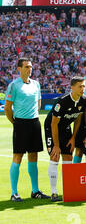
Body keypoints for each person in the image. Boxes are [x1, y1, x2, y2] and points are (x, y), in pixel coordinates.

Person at [5, 58, 49, 201]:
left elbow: (38, 103)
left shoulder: (36, 84)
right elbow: (7, 108)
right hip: (21, 123)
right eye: (26, 67)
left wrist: (33, 116)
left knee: (33, 156)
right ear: (19, 69)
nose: (29, 69)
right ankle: (14, 193)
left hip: (34, 122)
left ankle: (35, 191)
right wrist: (15, 122)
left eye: (30, 66)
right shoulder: (13, 86)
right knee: (18, 156)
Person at [44, 76, 86, 201]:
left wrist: (73, 138)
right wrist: (56, 145)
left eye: (83, 86)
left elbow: (78, 119)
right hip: (52, 129)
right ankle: (54, 192)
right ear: (72, 87)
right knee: (55, 156)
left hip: (66, 128)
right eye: (80, 86)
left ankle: (68, 190)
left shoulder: (83, 100)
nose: (82, 89)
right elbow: (53, 124)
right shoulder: (62, 101)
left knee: (68, 157)